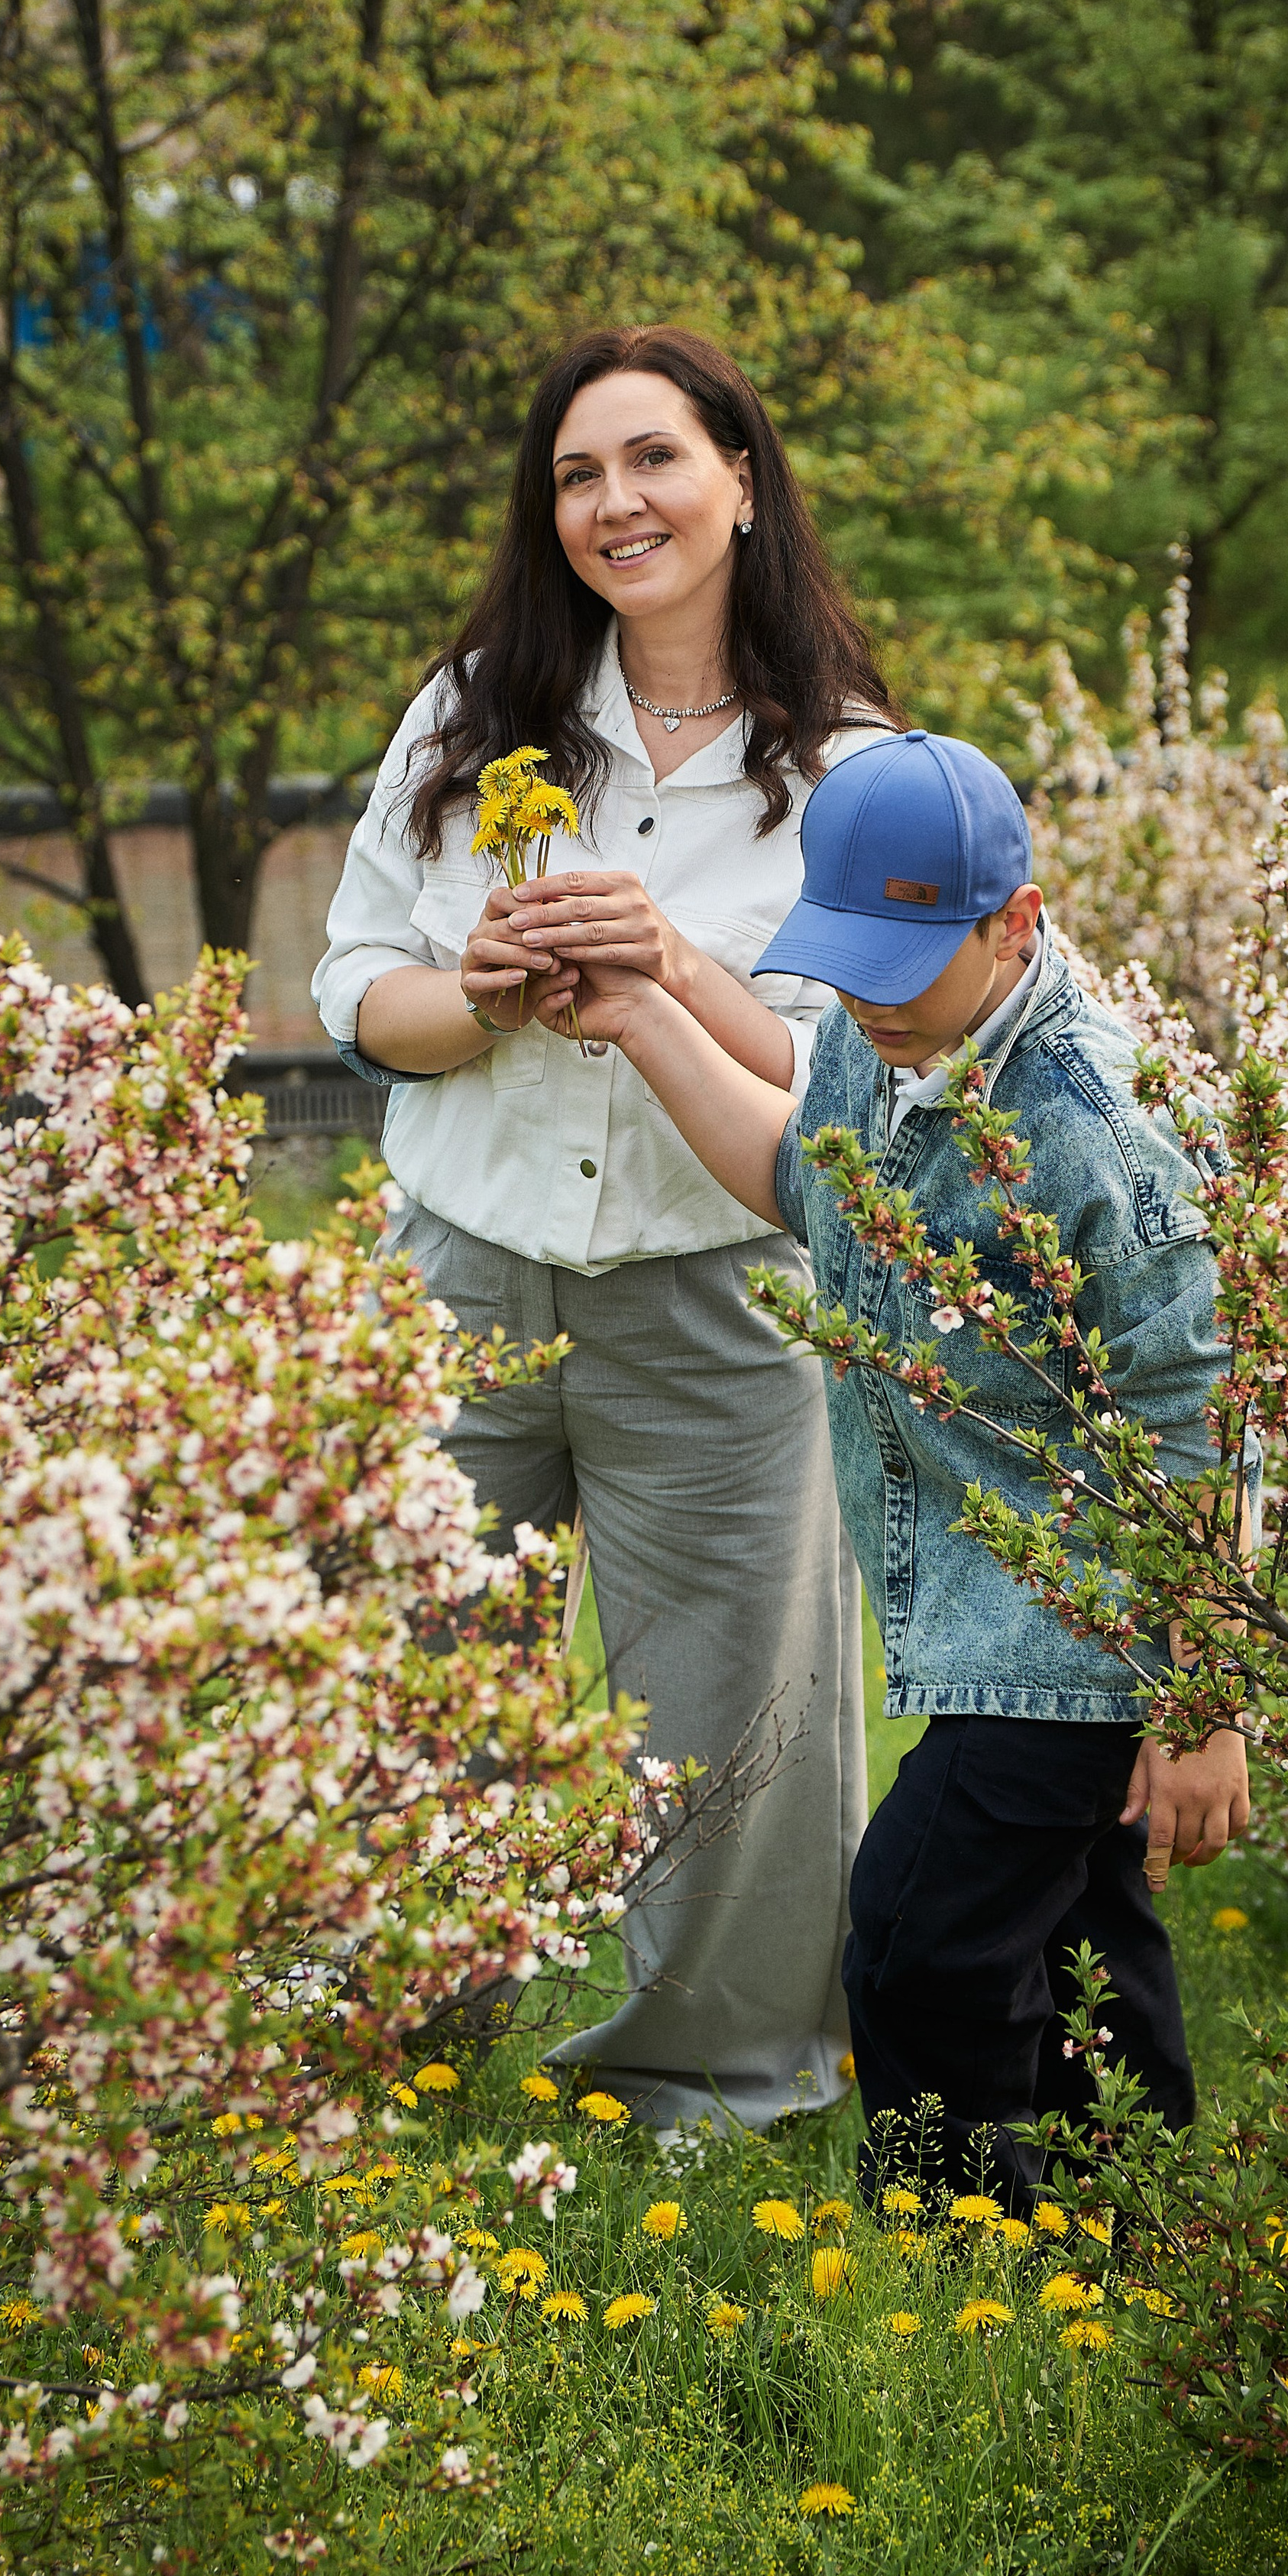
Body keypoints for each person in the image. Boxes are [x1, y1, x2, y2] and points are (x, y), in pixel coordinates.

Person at [312, 325, 900, 2135]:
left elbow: (847, 1074)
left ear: (739, 478)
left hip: (717, 1300)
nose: (613, 502)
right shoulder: (474, 709)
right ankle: (367, 2048)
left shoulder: (853, 772)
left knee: (741, 1720)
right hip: (462, 1279)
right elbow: (353, 988)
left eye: (651, 459)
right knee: (388, 1677)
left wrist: (671, 968)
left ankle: (710, 2078)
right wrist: (475, 991)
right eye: (576, 473)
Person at [539, 726, 1255, 2205]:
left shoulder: (1101, 1139)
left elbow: (1196, 1423)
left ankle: (948, 2215)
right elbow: (814, 1184)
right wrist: (645, 1009)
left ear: (1017, 923)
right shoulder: (895, 1037)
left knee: (918, 1925)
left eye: (904, 959)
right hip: (984, 1612)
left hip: (1083, 1625)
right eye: (846, 958)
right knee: (1079, 1930)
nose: (868, 996)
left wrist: (1201, 1705)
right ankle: (1144, 2214)